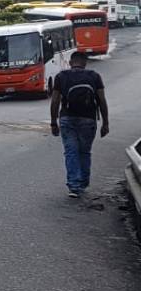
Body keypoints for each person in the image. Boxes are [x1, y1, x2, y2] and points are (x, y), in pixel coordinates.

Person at [49, 51, 109, 198]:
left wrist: (53, 122)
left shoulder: (61, 77)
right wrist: (105, 123)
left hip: (67, 119)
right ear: (85, 62)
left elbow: (55, 101)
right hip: (88, 119)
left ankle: (74, 186)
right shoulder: (94, 76)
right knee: (84, 152)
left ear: (70, 63)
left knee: (71, 152)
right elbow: (102, 101)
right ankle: (83, 182)